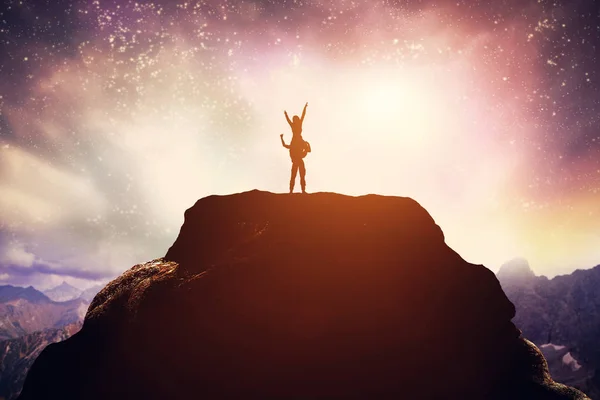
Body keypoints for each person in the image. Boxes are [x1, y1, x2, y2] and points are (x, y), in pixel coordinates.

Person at [281, 102, 311, 193]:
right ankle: (291, 190)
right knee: (294, 173)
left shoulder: (299, 124)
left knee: (302, 173)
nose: (295, 120)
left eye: (295, 119)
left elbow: (303, 115)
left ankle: (303, 190)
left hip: (299, 143)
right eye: (294, 119)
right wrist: (286, 115)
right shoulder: (293, 126)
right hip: (295, 144)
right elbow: (288, 121)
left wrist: (305, 107)